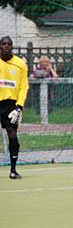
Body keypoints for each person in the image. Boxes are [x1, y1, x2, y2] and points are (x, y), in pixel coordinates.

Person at [0, 36, 29, 179]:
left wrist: (19, 106)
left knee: (13, 136)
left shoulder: (20, 64)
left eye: (9, 44)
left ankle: (13, 170)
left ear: (12, 46)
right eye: (3, 44)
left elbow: (24, 86)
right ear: (0, 46)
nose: (6, 46)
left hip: (11, 105)